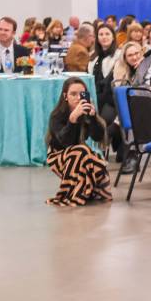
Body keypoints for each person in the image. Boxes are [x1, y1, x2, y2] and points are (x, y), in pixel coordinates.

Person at [45, 77, 111, 206]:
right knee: (81, 151)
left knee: (94, 158)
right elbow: (65, 142)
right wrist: (72, 120)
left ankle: (86, 192)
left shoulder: (86, 112)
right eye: (73, 94)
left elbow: (98, 137)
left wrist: (93, 118)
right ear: (65, 96)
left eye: (81, 94)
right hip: (58, 155)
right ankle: (73, 195)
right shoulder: (57, 116)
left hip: (79, 153)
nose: (78, 98)